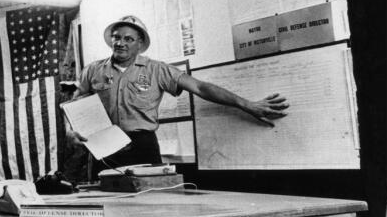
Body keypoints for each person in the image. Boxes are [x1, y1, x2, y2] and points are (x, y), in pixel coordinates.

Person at [75, 15, 288, 168]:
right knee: (102, 204)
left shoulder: (157, 70)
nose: (120, 43)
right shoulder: (93, 70)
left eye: (128, 39)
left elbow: (201, 87)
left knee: (150, 205)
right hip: (103, 146)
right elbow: (76, 104)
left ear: (139, 44)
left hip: (141, 145)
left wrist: (247, 105)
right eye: (116, 37)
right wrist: (71, 130)